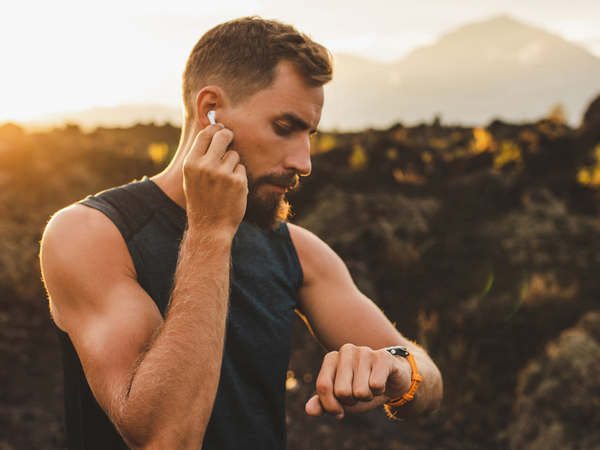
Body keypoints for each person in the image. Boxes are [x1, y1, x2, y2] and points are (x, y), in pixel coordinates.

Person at [40, 16, 443, 450]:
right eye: (284, 128)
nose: (304, 162)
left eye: (309, 134)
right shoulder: (90, 233)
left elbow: (430, 382)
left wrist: (399, 370)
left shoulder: (298, 250)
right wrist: (211, 232)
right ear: (210, 109)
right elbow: (165, 437)